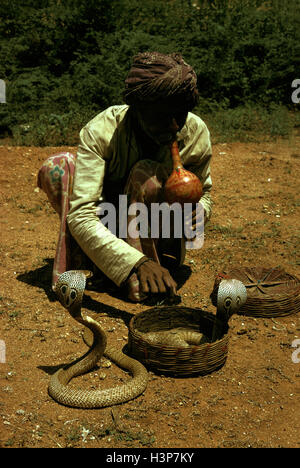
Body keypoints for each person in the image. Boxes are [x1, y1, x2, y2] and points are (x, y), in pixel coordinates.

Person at [38, 51, 212, 302]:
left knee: (146, 174)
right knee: (58, 166)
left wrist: (200, 213)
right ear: (137, 108)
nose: (175, 126)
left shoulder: (195, 133)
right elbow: (82, 213)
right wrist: (135, 261)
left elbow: (205, 194)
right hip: (105, 221)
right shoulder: (102, 130)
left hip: (157, 229)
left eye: (181, 114)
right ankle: (100, 263)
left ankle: (148, 272)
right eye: (163, 116)